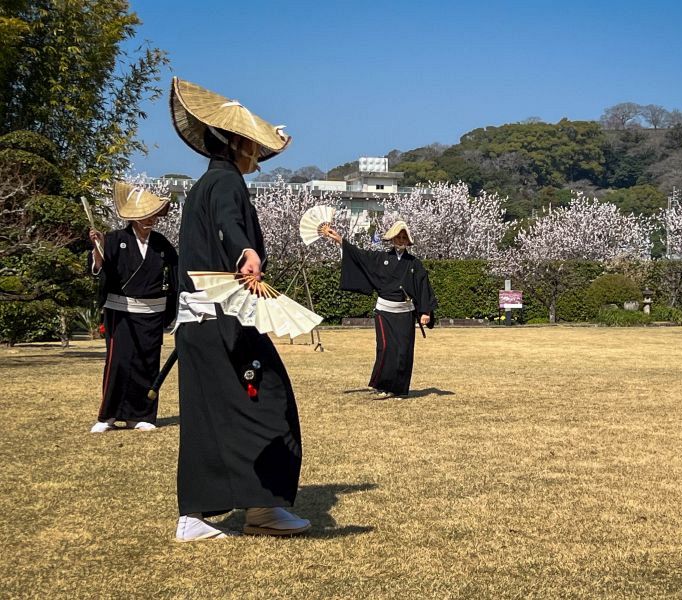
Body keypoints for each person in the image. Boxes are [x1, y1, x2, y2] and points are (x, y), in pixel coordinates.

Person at [169, 77, 309, 541]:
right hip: (220, 323)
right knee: (268, 403)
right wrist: (245, 251)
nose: (257, 156)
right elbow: (230, 227)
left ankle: (258, 508)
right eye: (253, 145)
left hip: (207, 322)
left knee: (215, 413)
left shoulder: (208, 183)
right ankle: (200, 514)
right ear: (237, 143)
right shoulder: (225, 184)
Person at [88, 182, 177, 433]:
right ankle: (108, 416)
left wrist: (175, 306)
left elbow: (177, 274)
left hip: (152, 313)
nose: (150, 220)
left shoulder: (162, 244)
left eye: (153, 215)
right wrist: (97, 249)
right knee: (118, 362)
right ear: (134, 217)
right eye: (145, 216)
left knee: (147, 363)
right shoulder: (115, 239)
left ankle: (142, 415)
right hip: (122, 313)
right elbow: (100, 267)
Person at [322, 221, 437, 399]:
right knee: (385, 347)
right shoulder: (379, 258)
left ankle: (399, 389)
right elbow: (359, 255)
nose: (400, 240)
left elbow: (423, 287)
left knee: (403, 350)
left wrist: (426, 312)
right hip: (384, 311)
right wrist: (339, 239)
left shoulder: (415, 264)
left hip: (405, 313)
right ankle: (382, 385)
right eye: (398, 236)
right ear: (392, 238)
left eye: (404, 237)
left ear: (408, 241)